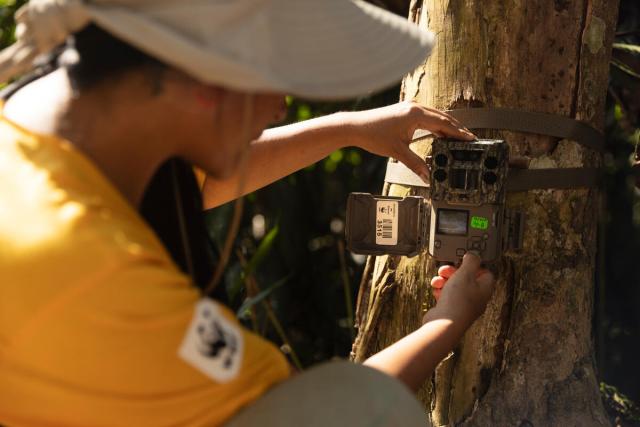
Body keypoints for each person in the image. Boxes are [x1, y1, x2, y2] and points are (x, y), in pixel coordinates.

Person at [0, 1, 495, 426]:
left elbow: (192, 184)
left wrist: (347, 128)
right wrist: (446, 321)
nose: (280, 108)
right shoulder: (97, 272)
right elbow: (298, 415)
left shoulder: (41, 119)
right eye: (276, 78)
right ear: (207, 75)